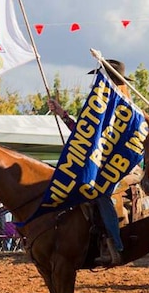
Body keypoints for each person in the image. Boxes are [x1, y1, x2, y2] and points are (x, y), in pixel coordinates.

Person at [46, 58, 131, 266]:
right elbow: (84, 132)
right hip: (95, 163)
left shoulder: (121, 105)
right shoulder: (99, 106)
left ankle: (115, 245)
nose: (96, 83)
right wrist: (61, 113)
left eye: (100, 78)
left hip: (116, 163)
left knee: (100, 194)